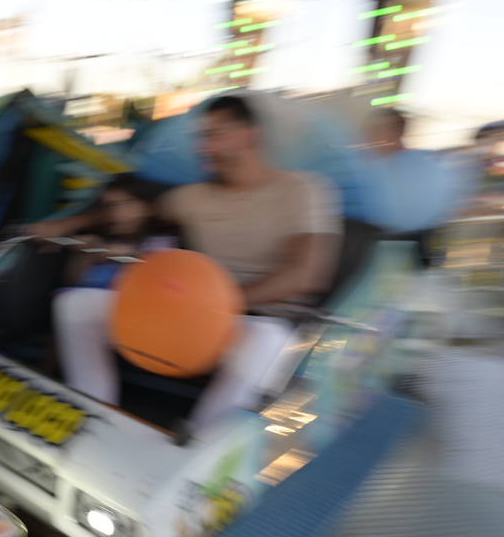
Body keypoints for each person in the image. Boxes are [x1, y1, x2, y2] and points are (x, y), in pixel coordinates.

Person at [33, 95, 342, 432]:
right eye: (202, 137)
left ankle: (200, 443)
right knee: (75, 306)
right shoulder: (191, 197)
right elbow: (130, 213)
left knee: (268, 341)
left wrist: (217, 306)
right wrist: (65, 226)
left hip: (255, 319)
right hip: (189, 309)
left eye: (215, 135)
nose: (203, 147)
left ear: (250, 135)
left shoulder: (303, 190)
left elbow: (306, 275)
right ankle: (92, 414)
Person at [362, 107, 468, 266]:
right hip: (419, 252)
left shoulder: (385, 169)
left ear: (392, 132)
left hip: (396, 253)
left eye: (374, 131)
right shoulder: (428, 164)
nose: (368, 137)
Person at [62, 174, 178, 289]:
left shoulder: (164, 241)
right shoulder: (101, 240)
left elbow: (170, 280)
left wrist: (133, 254)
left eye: (128, 203)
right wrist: (85, 257)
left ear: (147, 207)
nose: (117, 213)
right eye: (110, 206)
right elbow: (76, 285)